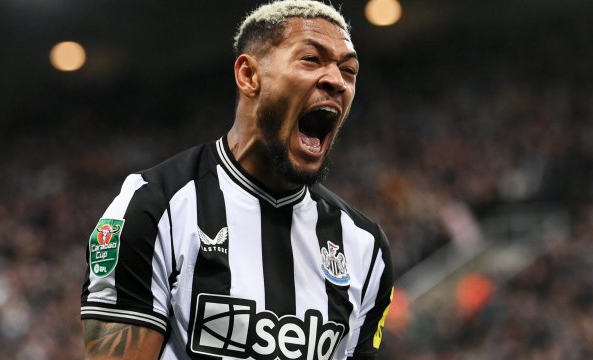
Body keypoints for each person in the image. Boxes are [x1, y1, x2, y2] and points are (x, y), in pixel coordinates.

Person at [81, 1, 394, 358]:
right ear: (249, 76)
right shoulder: (152, 208)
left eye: (349, 70)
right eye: (311, 59)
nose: (337, 81)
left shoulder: (365, 247)